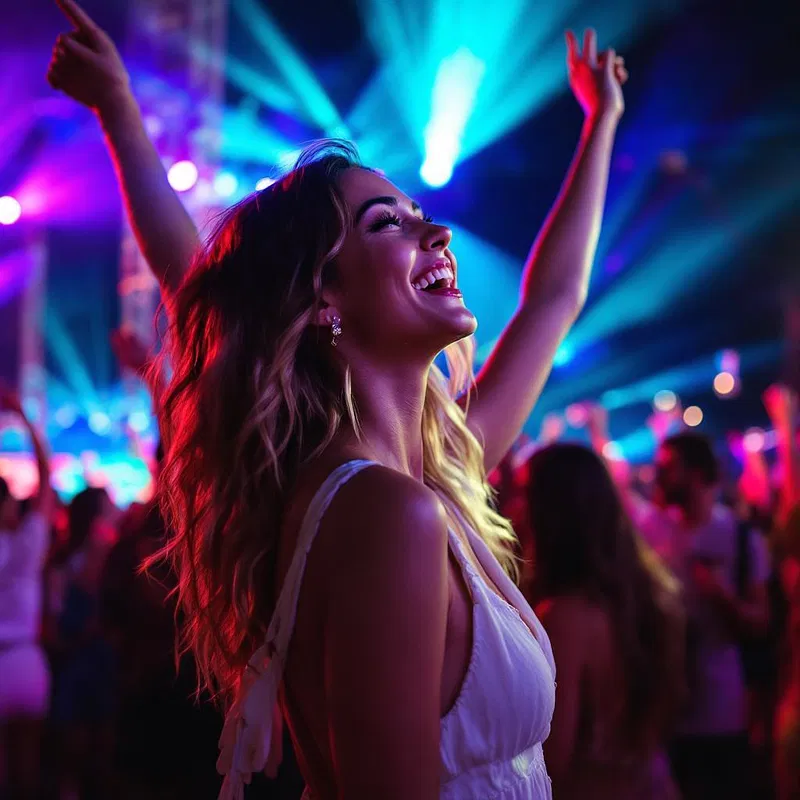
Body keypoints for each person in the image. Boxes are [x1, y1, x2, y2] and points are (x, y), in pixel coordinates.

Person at [49, 4, 627, 798]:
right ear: (321, 296)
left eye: (423, 217)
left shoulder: (426, 477)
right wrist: (120, 111)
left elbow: (554, 299)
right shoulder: (387, 514)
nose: (438, 236)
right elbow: (206, 292)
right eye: (389, 222)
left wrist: (600, 125)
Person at [524, 443, 684, 799]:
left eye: (523, 492)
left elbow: (551, 765)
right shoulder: (642, 595)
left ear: (550, 511)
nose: (512, 506)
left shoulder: (564, 618)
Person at [640, 432, 771, 800]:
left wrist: (719, 595)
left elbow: (761, 620)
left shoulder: (740, 536)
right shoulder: (653, 530)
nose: (658, 475)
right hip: (667, 713)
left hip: (723, 713)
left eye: (668, 468)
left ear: (695, 473)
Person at [0, 389, 54, 800]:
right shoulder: (28, 541)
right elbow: (47, 478)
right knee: (30, 772)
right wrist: (23, 417)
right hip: (26, 659)